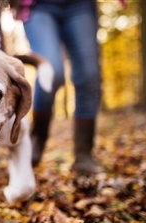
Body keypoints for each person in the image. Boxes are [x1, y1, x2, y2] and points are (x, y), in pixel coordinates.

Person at [11, 0, 124, 174]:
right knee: (52, 70)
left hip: (80, 5)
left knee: (88, 76)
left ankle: (83, 155)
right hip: (38, 6)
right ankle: (37, 138)